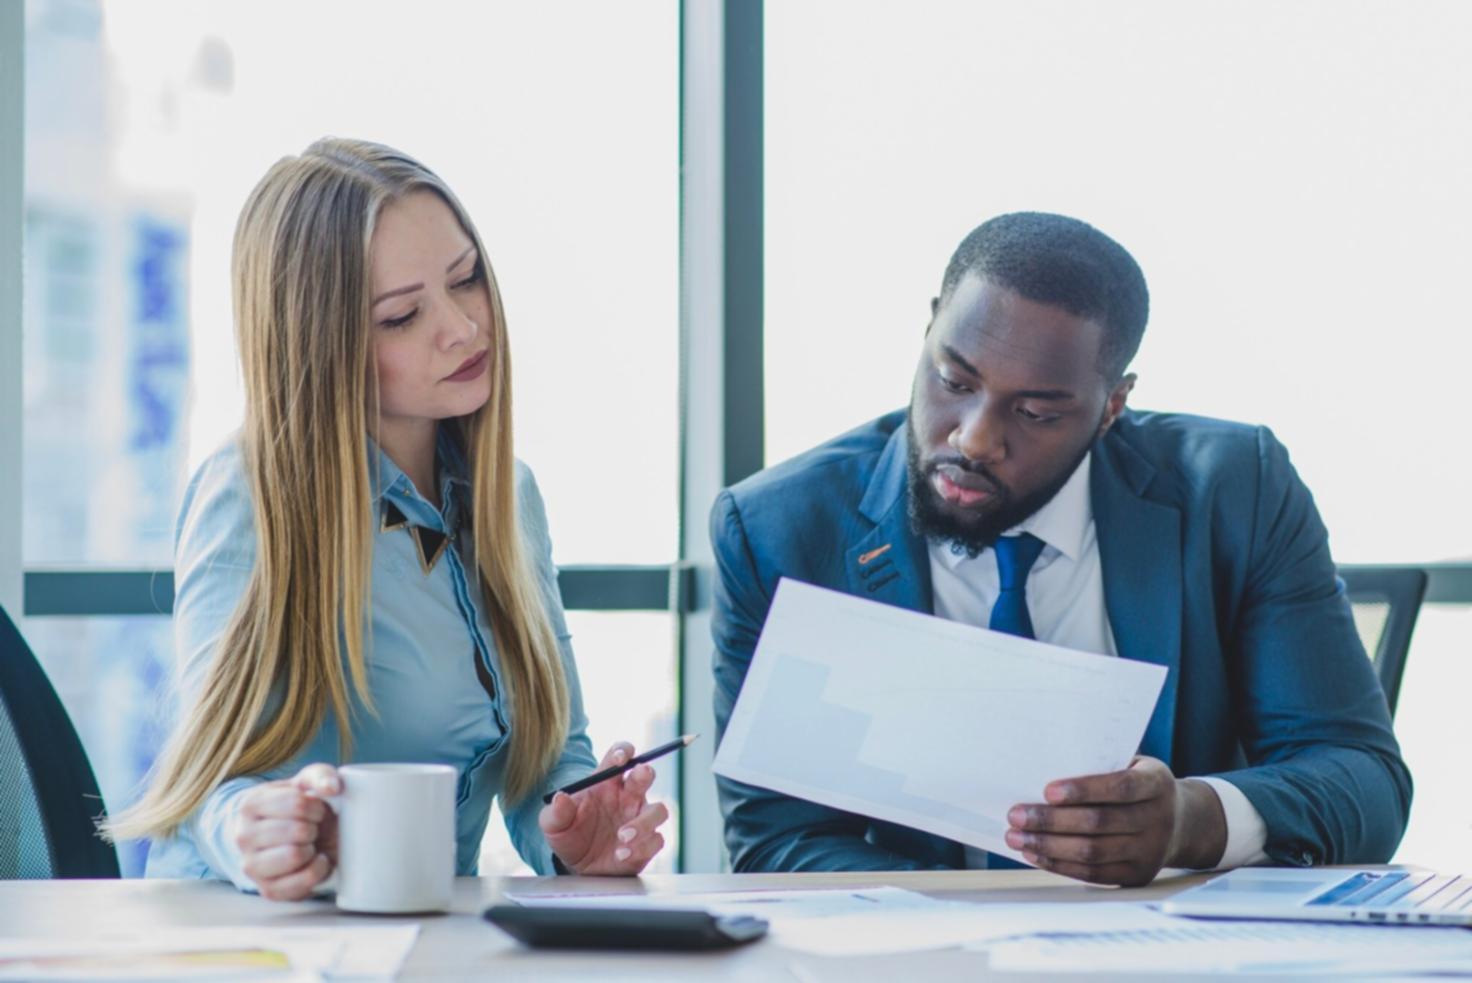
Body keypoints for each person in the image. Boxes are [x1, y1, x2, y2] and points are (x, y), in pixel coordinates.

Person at [710, 212, 1411, 886]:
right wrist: (970, 933)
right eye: (954, 381)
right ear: (929, 328)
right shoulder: (778, 532)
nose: (974, 439)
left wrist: (1188, 822)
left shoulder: (1234, 490)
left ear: (1112, 406)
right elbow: (778, 839)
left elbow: (1363, 776)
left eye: (1036, 412)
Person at [106, 138, 668, 897]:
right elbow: (216, 782)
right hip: (249, 932)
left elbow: (549, 760)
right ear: (323, 344)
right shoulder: (251, 492)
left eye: (466, 279)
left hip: (421, 934)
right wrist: (258, 831)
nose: (464, 327)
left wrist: (575, 837)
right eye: (402, 315)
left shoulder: (508, 496)